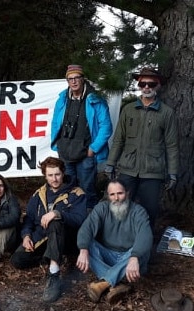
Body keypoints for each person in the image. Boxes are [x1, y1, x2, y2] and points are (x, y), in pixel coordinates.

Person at [104, 67, 179, 230]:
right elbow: (119, 139)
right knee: (119, 207)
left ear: (158, 86)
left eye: (151, 84)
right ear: (138, 85)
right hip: (127, 168)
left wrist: (172, 173)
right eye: (143, 83)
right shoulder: (128, 110)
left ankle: (145, 247)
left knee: (149, 211)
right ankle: (118, 241)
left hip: (153, 171)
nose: (146, 87)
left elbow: (172, 145)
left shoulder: (167, 113)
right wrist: (110, 163)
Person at [10, 156, 87, 303]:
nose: (54, 179)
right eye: (50, 175)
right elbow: (29, 219)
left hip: (68, 237)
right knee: (17, 260)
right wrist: (26, 235)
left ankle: (54, 274)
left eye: (57, 174)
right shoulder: (38, 195)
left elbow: (81, 218)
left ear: (63, 173)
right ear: (45, 176)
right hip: (44, 237)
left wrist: (58, 213)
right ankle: (53, 255)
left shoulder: (76, 193)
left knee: (55, 222)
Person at [76, 179, 152, 305]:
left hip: (128, 258)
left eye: (120, 193)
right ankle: (119, 282)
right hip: (108, 255)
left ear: (127, 193)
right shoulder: (102, 208)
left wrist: (134, 258)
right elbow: (87, 228)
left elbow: (145, 236)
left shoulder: (138, 211)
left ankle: (104, 284)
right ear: (108, 196)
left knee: (142, 250)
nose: (116, 198)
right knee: (86, 244)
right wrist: (83, 250)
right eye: (112, 194)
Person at [51, 64, 113, 210]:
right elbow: (55, 122)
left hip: (86, 154)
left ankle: (90, 223)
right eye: (70, 79)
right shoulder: (62, 99)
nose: (73, 81)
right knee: (68, 190)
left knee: (87, 191)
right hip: (66, 154)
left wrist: (94, 148)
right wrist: (57, 144)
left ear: (83, 79)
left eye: (76, 78)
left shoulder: (96, 99)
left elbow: (106, 126)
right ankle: (72, 222)